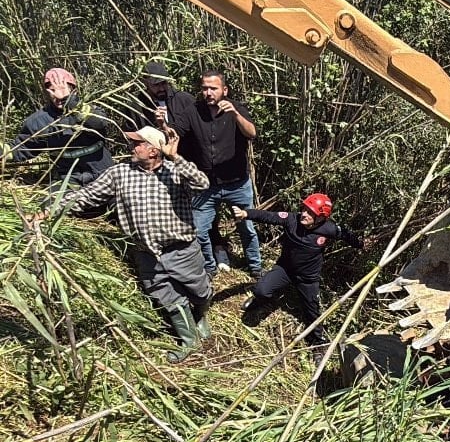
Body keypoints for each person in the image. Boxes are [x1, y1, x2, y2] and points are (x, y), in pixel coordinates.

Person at [35, 126, 213, 363]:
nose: (132, 147)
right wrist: (49, 210)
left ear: (153, 151)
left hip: (181, 249)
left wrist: (175, 157)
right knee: (166, 296)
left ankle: (200, 314)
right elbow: (87, 195)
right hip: (145, 252)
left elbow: (203, 184)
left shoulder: (174, 171)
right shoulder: (119, 173)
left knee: (199, 290)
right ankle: (189, 341)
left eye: (138, 143)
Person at [234, 193, 362, 345]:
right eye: (305, 209)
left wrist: (361, 244)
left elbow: (347, 235)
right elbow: (269, 216)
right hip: (285, 269)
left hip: (307, 279)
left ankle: (317, 343)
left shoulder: (330, 229)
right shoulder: (292, 219)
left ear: (320, 217)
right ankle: (262, 301)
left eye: (310, 213)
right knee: (261, 290)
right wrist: (246, 213)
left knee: (312, 312)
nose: (304, 214)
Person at [172, 69, 262, 279]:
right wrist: (162, 127)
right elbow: (176, 130)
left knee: (247, 228)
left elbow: (252, 133)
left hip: (237, 184)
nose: (209, 93)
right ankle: (210, 268)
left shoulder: (236, 108)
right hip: (206, 185)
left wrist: (235, 115)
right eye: (205, 88)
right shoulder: (193, 111)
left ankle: (256, 267)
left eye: (213, 88)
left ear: (224, 89)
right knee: (199, 230)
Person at [3, 68, 113, 186]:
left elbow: (99, 123)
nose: (58, 95)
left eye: (63, 89)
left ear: (74, 91)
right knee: (51, 203)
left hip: (103, 174)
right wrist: (3, 151)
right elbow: (22, 147)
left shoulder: (89, 109)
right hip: (69, 179)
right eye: (52, 91)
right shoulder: (39, 120)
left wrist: (70, 102)